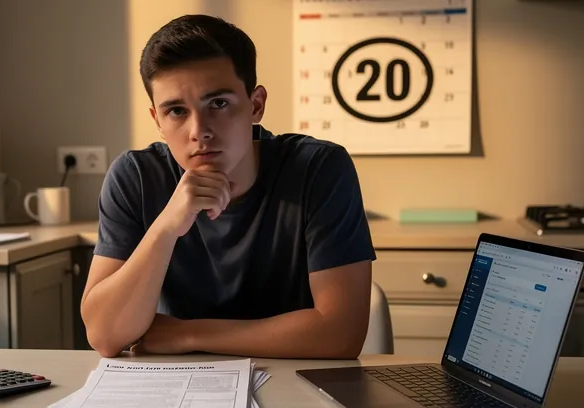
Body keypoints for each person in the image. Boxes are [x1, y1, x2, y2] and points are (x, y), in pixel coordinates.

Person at [80, 14, 375, 359]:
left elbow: (341, 336)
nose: (198, 131)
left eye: (218, 104)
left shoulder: (318, 168)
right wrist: (166, 227)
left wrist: (189, 334)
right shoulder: (135, 177)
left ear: (256, 105)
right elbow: (104, 336)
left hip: (294, 384)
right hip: (174, 391)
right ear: (157, 121)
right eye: (176, 111)